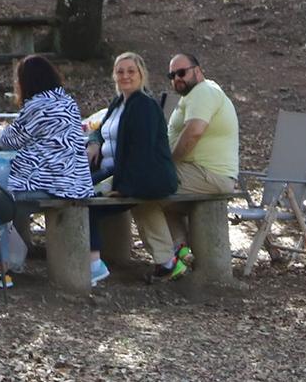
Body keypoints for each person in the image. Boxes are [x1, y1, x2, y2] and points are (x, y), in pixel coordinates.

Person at [0, 54, 97, 283]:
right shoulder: (66, 102)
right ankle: (0, 257)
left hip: (51, 183)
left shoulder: (37, 105)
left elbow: (9, 141)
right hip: (75, 182)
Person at [130, 52, 239, 280]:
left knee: (140, 189)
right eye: (172, 75)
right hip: (199, 173)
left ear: (197, 71)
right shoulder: (195, 95)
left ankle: (167, 263)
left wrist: (166, 165)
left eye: (182, 72)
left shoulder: (203, 92)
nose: (177, 78)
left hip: (207, 174)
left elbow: (194, 132)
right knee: (160, 201)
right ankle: (180, 253)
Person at [87, 52, 179, 280]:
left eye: (131, 71)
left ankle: (94, 266)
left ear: (141, 74)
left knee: (82, 203)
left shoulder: (143, 106)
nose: (125, 76)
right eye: (120, 71)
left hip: (132, 178)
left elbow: (143, 152)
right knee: (72, 191)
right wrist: (95, 142)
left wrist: (125, 187)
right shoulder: (119, 102)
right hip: (110, 172)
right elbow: (100, 128)